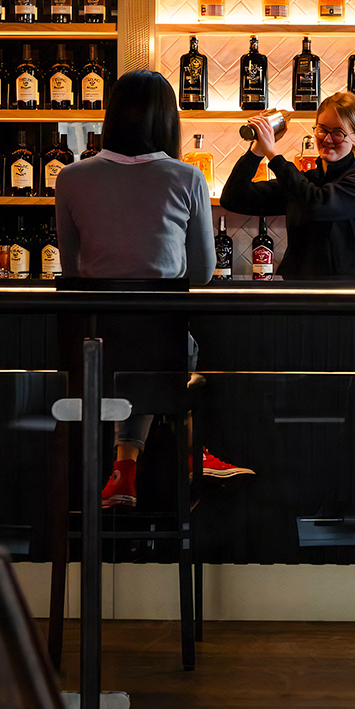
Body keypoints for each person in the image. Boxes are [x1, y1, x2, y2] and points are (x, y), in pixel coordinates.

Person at [54, 70, 252, 509]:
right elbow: (202, 272)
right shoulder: (187, 177)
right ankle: (191, 452)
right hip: (162, 356)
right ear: (168, 120)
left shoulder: (70, 177)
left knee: (133, 351)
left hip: (90, 357)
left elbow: (72, 271)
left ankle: (124, 468)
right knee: (167, 349)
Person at [220, 92, 355, 281]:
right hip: (296, 291)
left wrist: (274, 156)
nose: (327, 139)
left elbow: (316, 205)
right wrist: (257, 150)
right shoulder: (303, 182)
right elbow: (233, 198)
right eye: (322, 129)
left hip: (344, 293)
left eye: (338, 133)